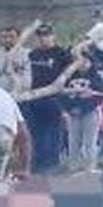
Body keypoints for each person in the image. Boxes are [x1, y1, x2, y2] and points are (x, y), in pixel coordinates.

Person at [26, 23, 73, 174]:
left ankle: (52, 166)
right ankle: (36, 167)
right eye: (40, 36)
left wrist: (66, 106)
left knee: (53, 135)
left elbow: (70, 78)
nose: (43, 39)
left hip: (55, 99)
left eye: (46, 35)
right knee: (35, 135)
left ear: (53, 36)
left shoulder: (62, 54)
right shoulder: (32, 55)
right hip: (34, 99)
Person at [62, 51, 103, 172]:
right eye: (79, 61)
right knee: (73, 141)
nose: (82, 64)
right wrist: (69, 108)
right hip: (73, 113)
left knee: (90, 142)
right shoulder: (69, 76)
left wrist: (84, 108)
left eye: (85, 61)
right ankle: (73, 166)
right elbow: (62, 95)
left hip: (91, 112)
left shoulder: (95, 77)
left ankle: (90, 166)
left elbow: (100, 95)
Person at [0, 26, 32, 94]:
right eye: (4, 37)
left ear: (18, 38)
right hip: (1, 94)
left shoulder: (28, 54)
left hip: (23, 94)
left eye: (11, 36)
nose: (8, 40)